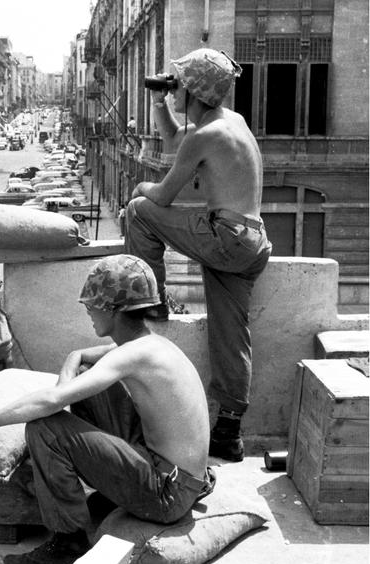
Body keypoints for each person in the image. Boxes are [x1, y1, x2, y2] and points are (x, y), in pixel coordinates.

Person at [0, 255, 215, 564]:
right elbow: (78, 356)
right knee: (84, 376)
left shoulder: (133, 354)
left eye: (93, 305)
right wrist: (66, 383)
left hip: (167, 493)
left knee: (44, 429)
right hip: (181, 477)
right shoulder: (146, 344)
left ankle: (68, 542)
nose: (88, 310)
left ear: (114, 309)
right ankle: (100, 486)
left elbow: (50, 402)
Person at [123, 48, 272, 462]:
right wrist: (159, 103)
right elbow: (174, 140)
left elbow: (164, 194)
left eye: (178, 86)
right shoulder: (230, 123)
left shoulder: (208, 135)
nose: (173, 91)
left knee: (140, 211)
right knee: (231, 334)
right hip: (251, 242)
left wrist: (141, 189)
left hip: (227, 238)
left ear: (194, 92)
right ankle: (229, 431)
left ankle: (149, 303)